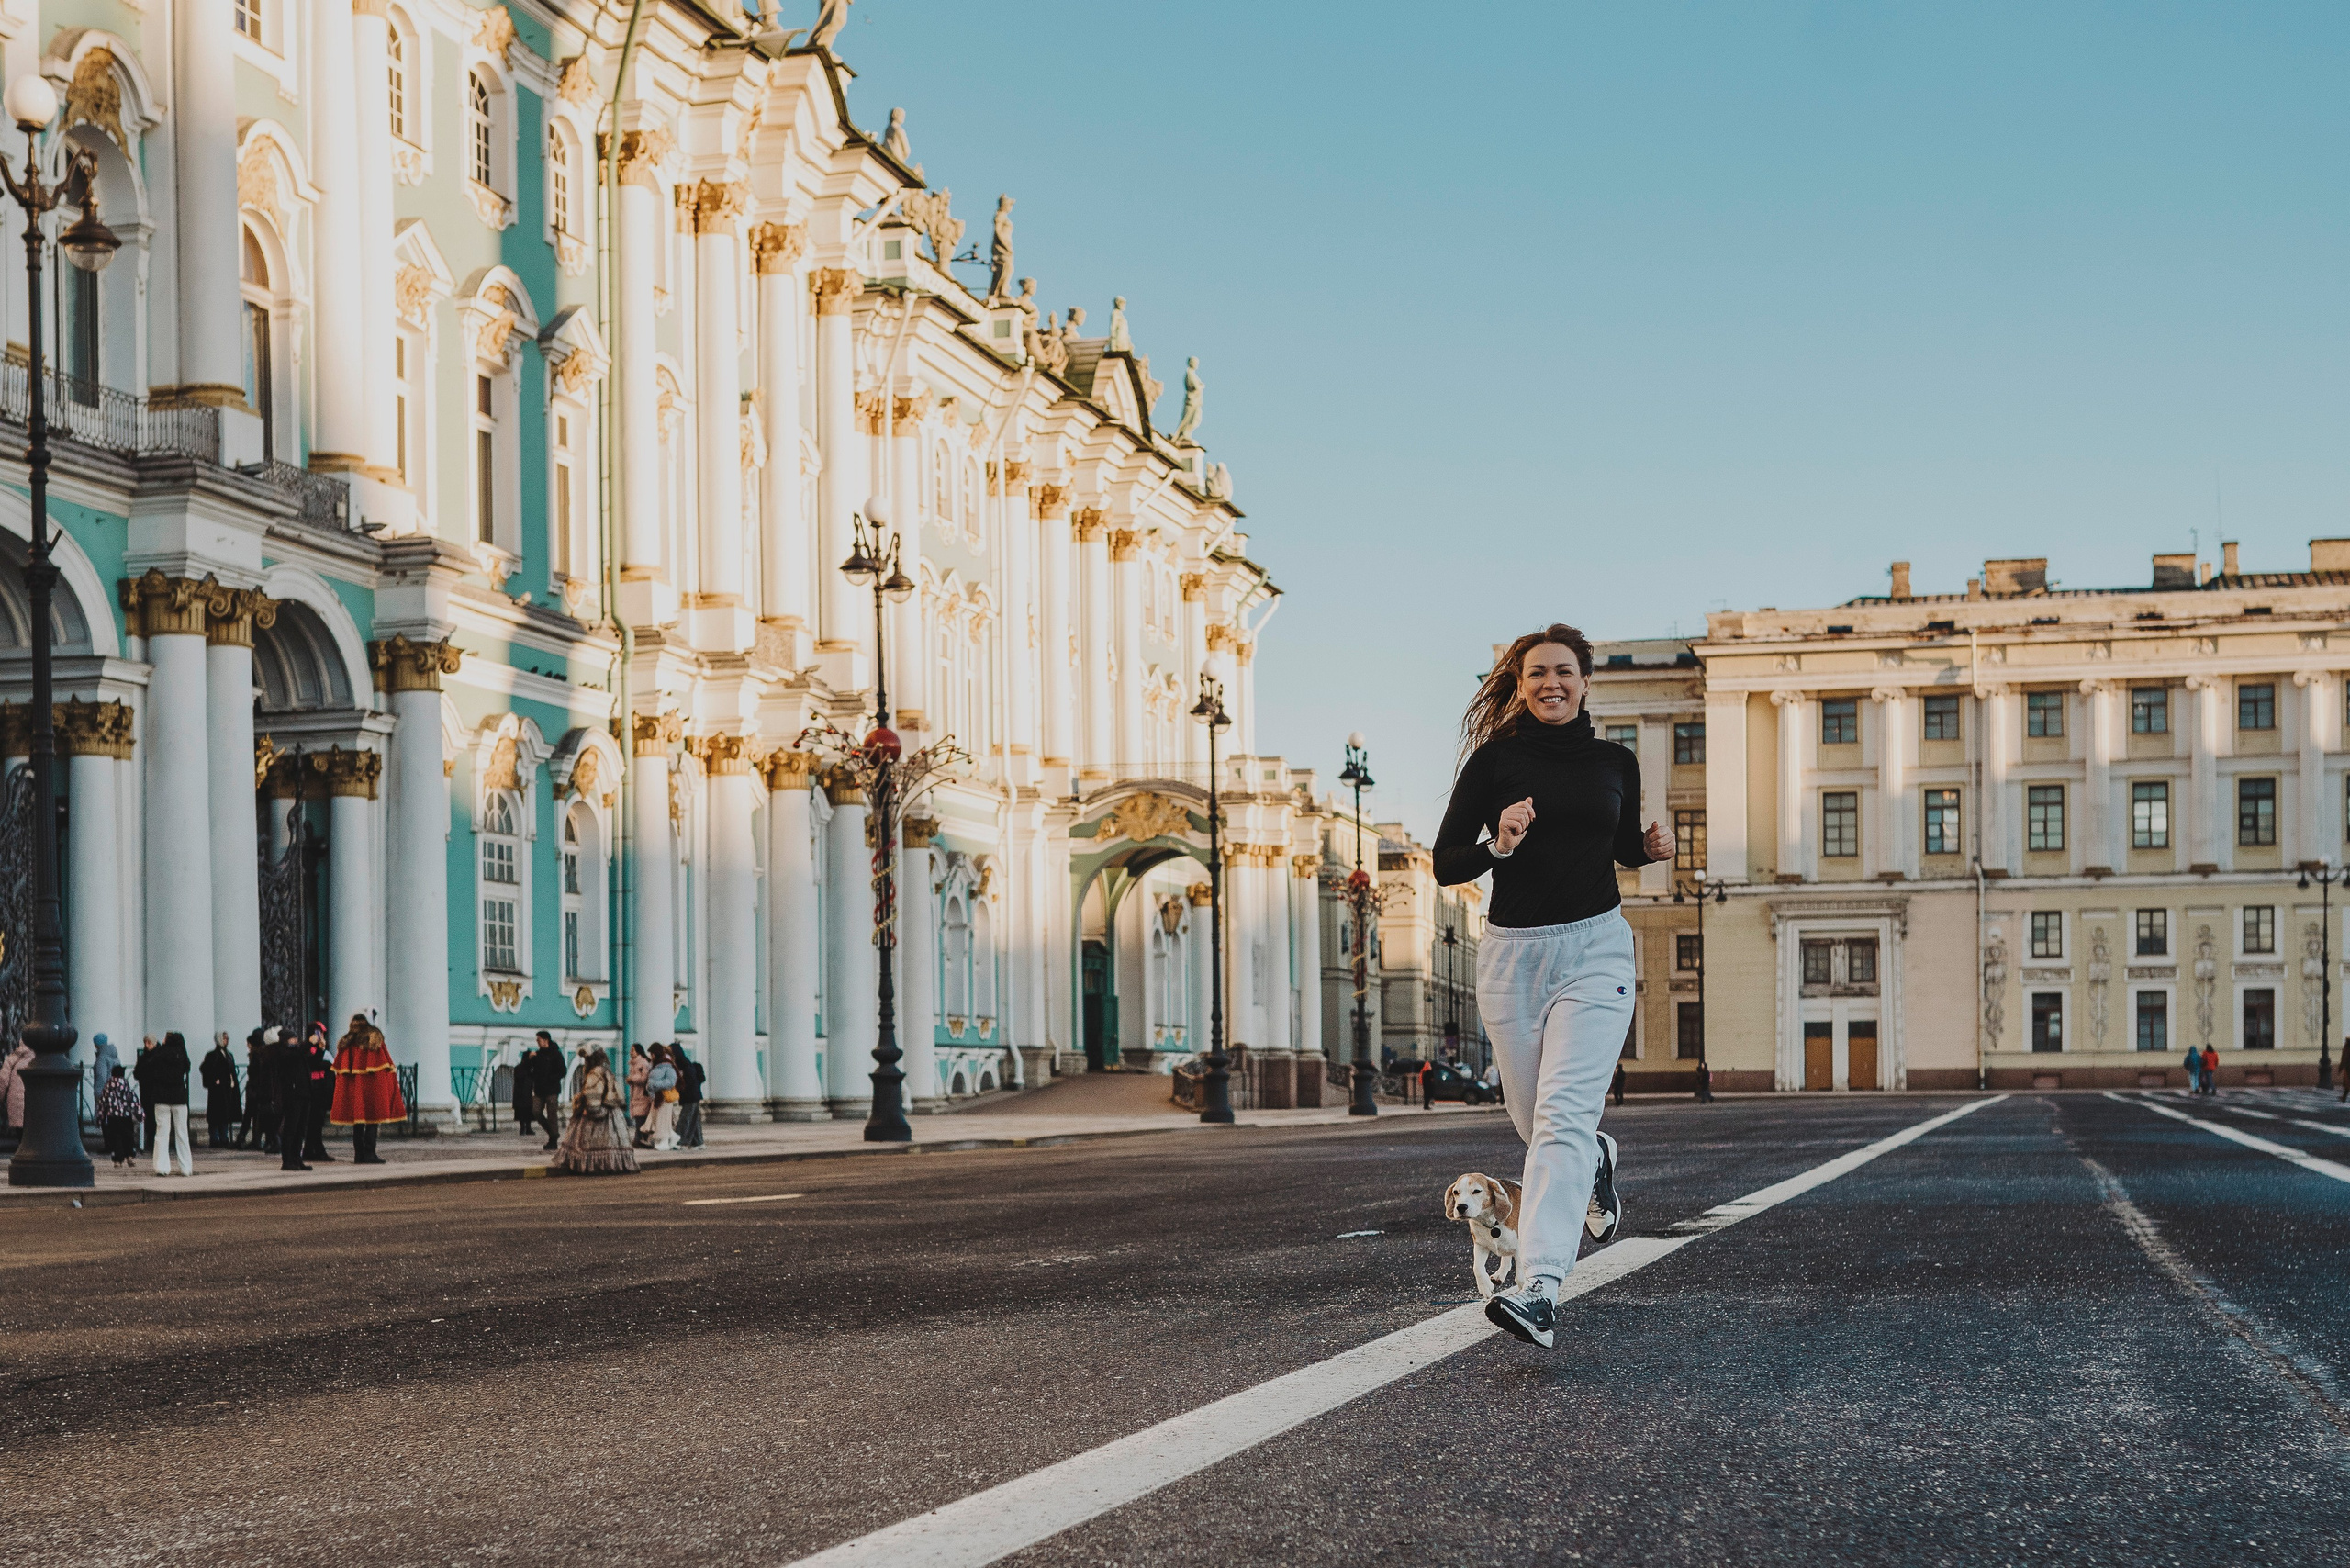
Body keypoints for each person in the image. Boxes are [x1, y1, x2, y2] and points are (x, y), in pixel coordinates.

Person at [1434, 623, 1672, 1350]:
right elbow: (1447, 863)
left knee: (1561, 1121)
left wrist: (1649, 849)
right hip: (1513, 955)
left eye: (1563, 671)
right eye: (1536, 673)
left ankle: (1538, 1287)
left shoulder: (1615, 761)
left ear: (1585, 682)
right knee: (1538, 1125)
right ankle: (1598, 1161)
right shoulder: (1495, 762)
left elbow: (1619, 842)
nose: (1551, 683)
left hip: (1596, 948)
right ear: (1521, 682)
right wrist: (1498, 844)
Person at [329, 1015, 406, 1164]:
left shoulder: (348, 1042)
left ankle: (359, 1155)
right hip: (372, 1085)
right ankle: (369, 1153)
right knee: (372, 1119)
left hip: (355, 1087)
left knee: (358, 1123)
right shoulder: (374, 1040)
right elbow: (386, 1066)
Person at [552, 1047, 639, 1175]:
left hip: (599, 1113)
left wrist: (592, 1110)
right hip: (612, 1114)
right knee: (611, 1140)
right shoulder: (606, 1070)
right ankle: (612, 1164)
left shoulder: (595, 1073)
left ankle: (592, 1166)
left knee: (587, 1142)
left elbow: (593, 1094)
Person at [145, 1031, 194, 1177]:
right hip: (179, 1097)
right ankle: (186, 1167)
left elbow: (150, 1068)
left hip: (161, 1097)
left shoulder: (159, 1054)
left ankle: (162, 1167)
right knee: (182, 1132)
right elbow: (187, 1067)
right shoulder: (182, 1055)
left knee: (161, 1133)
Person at [277, 1026, 313, 1172]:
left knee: (300, 1129)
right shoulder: (283, 1053)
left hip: (304, 1094)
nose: (296, 1040)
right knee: (291, 1128)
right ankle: (287, 1160)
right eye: (293, 1038)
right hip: (292, 1095)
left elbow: (305, 1057)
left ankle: (297, 1158)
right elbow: (294, 1057)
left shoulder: (297, 1052)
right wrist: (308, 1043)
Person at [299, 1025, 336, 1161]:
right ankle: (315, 1150)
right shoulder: (307, 1047)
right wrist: (320, 1053)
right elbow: (313, 1063)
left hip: (320, 1088)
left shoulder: (316, 1048)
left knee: (317, 1121)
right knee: (313, 1121)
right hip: (313, 1088)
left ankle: (311, 1149)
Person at [526, 1036, 567, 1152]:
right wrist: (529, 1059)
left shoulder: (556, 1054)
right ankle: (553, 1133)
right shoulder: (537, 1055)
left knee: (552, 1114)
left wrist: (550, 1079)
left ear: (546, 1041)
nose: (537, 1042)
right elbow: (528, 1070)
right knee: (536, 1111)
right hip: (539, 1089)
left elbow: (563, 1071)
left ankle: (553, 1141)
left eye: (539, 1040)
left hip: (552, 1090)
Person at [200, 1033, 241, 1148]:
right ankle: (215, 1138)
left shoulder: (228, 1055)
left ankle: (224, 1137)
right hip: (217, 1090)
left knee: (225, 1114)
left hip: (227, 1088)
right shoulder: (213, 1055)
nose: (226, 1040)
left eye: (227, 1038)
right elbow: (205, 1068)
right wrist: (214, 1080)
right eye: (224, 1038)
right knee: (216, 1115)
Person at [96, 1066, 140, 1167]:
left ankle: (117, 1159)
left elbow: (103, 1102)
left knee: (115, 1137)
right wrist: (139, 1114)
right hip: (126, 1115)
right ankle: (129, 1155)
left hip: (113, 1116)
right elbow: (133, 1100)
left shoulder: (108, 1086)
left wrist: (100, 1116)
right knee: (128, 1135)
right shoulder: (125, 1085)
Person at [644, 1045, 680, 1151]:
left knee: (662, 1120)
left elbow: (671, 1082)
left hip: (664, 1097)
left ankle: (664, 1142)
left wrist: (654, 1085)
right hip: (656, 1097)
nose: (651, 1056)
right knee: (657, 1119)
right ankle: (673, 1137)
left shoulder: (667, 1066)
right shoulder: (656, 1065)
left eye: (652, 1054)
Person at [672, 1042, 706, 1148]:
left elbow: (689, 1081)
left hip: (690, 1096)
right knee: (694, 1119)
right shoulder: (684, 1063)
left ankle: (679, 1141)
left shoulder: (683, 1065)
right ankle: (698, 1142)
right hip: (693, 1095)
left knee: (685, 1118)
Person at [0, 1038, 29, 1137]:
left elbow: (3, 1081)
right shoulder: (44, 1059)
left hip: (17, 1106)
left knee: (21, 1139)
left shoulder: (13, 1059)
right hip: (38, 1109)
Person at [627, 1045, 653, 1146]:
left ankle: (640, 1139)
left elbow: (644, 1078)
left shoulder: (643, 1063)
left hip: (642, 1094)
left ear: (638, 1052)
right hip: (636, 1094)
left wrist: (631, 1079)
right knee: (639, 1117)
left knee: (641, 1117)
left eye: (633, 1050)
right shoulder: (634, 1064)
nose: (631, 1052)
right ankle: (640, 1139)